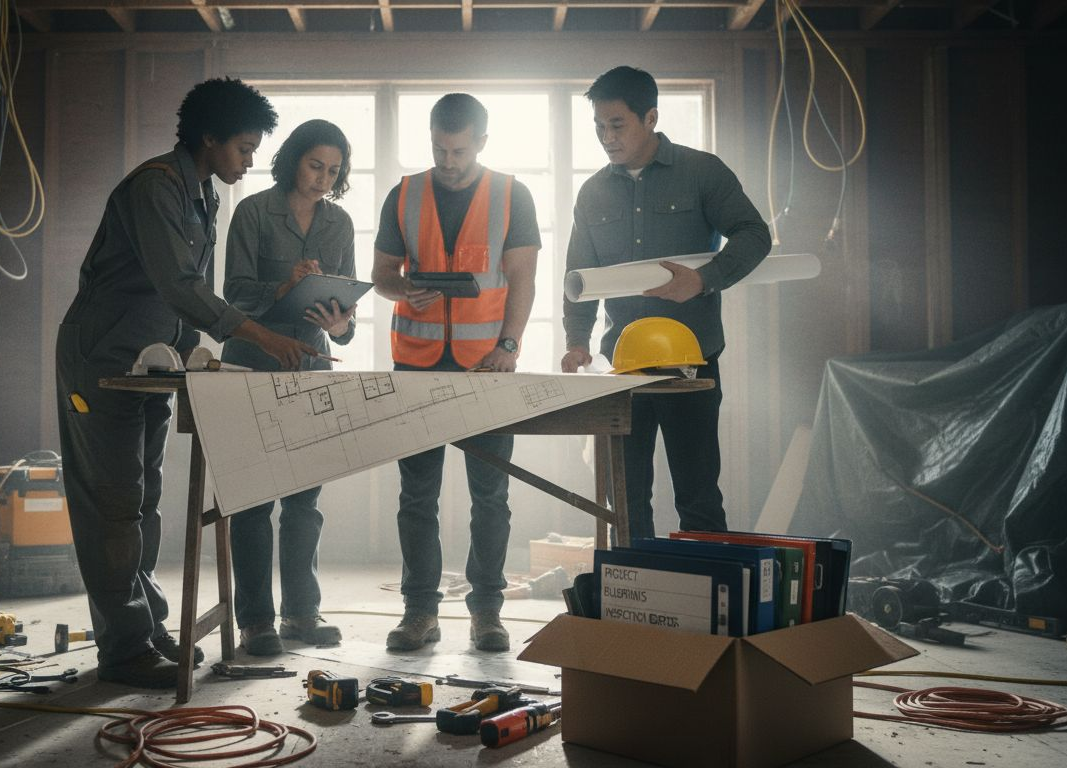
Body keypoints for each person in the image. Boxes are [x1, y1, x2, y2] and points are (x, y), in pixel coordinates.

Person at [56, 78, 322, 689]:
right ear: (210, 138)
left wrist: (191, 354)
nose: (251, 161)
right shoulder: (155, 186)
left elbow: (180, 299)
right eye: (246, 149)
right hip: (101, 361)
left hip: (150, 363)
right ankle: (123, 651)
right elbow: (180, 285)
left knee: (143, 499)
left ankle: (145, 629)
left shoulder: (203, 193)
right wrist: (261, 337)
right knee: (113, 506)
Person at [562, 65, 771, 540]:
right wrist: (576, 341)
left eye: (617, 125)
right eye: (599, 127)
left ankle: (704, 607)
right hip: (624, 365)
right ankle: (635, 607)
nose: (607, 137)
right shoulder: (592, 192)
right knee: (627, 497)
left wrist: (703, 280)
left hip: (692, 362)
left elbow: (755, 235)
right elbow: (578, 277)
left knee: (697, 494)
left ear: (650, 117)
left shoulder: (702, 172)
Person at [371, 93, 540, 652]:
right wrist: (404, 289)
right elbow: (381, 275)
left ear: (483, 143)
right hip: (414, 363)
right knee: (416, 497)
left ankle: (487, 613)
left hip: (487, 367)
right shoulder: (405, 193)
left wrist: (510, 345)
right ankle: (420, 614)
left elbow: (522, 279)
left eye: (459, 151)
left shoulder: (513, 195)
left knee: (490, 497)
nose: (448, 161)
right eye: (440, 149)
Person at [220, 119, 358, 655]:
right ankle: (256, 621)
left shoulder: (339, 223)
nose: (324, 179)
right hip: (252, 362)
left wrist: (339, 322)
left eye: (334, 171)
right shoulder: (254, 211)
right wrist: (285, 286)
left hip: (313, 364)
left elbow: (344, 311)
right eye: (315, 165)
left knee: (305, 499)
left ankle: (302, 614)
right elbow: (233, 295)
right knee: (254, 498)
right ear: (293, 160)